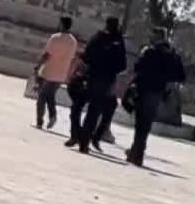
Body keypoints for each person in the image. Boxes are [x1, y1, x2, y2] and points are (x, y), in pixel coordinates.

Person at [124, 28, 186, 166]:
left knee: (141, 124)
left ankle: (137, 154)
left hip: (144, 90)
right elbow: (181, 75)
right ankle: (136, 152)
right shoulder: (172, 55)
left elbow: (137, 67)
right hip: (158, 93)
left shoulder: (149, 52)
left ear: (157, 37)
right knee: (146, 124)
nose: (150, 37)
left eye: (152, 35)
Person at [68, 16, 127, 154]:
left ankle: (77, 135)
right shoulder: (119, 42)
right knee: (93, 113)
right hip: (106, 80)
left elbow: (87, 56)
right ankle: (84, 142)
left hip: (92, 77)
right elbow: (122, 65)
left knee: (77, 107)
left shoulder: (98, 37)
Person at [34, 16, 78, 130]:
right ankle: (52, 116)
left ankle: (40, 121)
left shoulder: (55, 38)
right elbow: (72, 58)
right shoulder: (73, 41)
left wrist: (38, 66)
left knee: (42, 97)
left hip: (49, 72)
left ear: (62, 25)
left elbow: (47, 55)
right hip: (61, 74)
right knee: (50, 95)